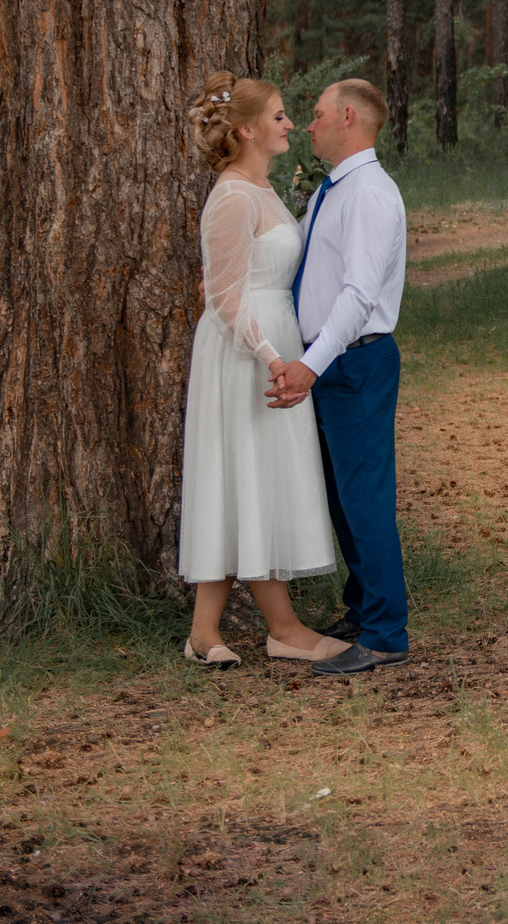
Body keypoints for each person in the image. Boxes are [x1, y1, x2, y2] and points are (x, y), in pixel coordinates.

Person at [177, 73, 351, 668]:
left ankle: (205, 632)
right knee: (245, 476)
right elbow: (225, 297)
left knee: (249, 479)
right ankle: (283, 628)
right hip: (245, 353)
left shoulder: (264, 190)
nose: (288, 124)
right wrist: (274, 358)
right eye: (278, 116)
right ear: (247, 129)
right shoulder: (231, 196)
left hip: (274, 341)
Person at [268, 78, 412, 675]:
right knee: (339, 496)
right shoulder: (335, 190)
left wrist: (309, 363)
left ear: (348, 117)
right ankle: (360, 608)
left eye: (319, 115)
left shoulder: (370, 196)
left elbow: (357, 296)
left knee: (365, 497)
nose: (308, 124)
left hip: (354, 361)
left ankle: (385, 633)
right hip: (333, 362)